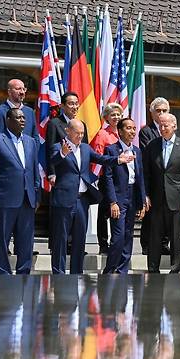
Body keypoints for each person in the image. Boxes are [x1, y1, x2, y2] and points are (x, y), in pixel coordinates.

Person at [49, 119, 134, 274]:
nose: (80, 136)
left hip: (82, 200)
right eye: (77, 133)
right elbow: (52, 162)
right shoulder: (58, 147)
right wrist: (63, 153)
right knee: (60, 239)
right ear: (68, 131)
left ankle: (76, 272)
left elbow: (101, 159)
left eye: (82, 133)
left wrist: (117, 160)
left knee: (79, 239)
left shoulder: (86, 148)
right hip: (64, 200)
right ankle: (58, 273)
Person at [0, 108, 41, 275]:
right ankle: (4, 273)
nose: (23, 120)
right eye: (18, 118)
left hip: (27, 198)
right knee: (3, 240)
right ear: (8, 120)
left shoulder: (31, 142)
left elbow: (34, 171)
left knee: (26, 240)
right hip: (5, 199)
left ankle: (24, 272)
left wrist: (36, 194)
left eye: (24, 117)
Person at [143, 113, 180, 273]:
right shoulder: (152, 146)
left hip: (177, 198)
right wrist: (145, 195)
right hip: (156, 198)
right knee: (154, 237)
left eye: (166, 125)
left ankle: (175, 269)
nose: (163, 128)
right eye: (160, 125)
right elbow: (146, 173)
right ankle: (153, 268)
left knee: (176, 237)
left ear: (175, 126)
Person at [101, 118, 146, 274]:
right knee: (118, 236)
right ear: (120, 131)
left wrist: (142, 201)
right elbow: (107, 177)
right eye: (128, 128)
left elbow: (140, 177)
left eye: (134, 128)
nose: (132, 131)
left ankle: (122, 270)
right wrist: (112, 202)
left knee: (128, 235)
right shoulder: (111, 150)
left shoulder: (137, 151)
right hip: (119, 196)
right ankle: (110, 269)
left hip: (133, 195)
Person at [138, 97, 170, 255]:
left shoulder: (171, 130)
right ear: (152, 114)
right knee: (151, 214)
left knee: (165, 214)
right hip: (152, 177)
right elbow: (148, 154)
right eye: (158, 111)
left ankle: (164, 243)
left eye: (164, 110)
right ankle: (146, 244)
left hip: (168, 179)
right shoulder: (146, 131)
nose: (162, 113)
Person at [92, 102, 123, 254]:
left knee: (118, 211)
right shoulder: (102, 134)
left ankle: (116, 243)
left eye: (118, 114)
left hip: (122, 179)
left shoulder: (123, 133)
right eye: (113, 115)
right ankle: (103, 244)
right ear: (106, 118)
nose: (116, 117)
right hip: (107, 177)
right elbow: (98, 156)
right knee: (105, 211)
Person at [45, 91, 88, 181]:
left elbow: (85, 149)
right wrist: (52, 173)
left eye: (76, 103)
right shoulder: (54, 123)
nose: (75, 107)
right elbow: (50, 149)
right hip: (62, 172)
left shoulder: (81, 124)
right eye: (71, 104)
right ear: (62, 106)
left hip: (79, 172)